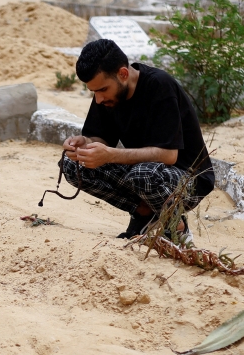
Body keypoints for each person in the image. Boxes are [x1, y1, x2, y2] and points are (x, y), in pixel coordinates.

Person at [61, 38, 215, 239]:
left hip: (188, 178)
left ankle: (176, 227)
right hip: (145, 171)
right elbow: (101, 138)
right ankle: (143, 214)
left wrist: (110, 155)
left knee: (143, 174)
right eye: (93, 92)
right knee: (74, 166)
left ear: (123, 74)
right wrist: (85, 144)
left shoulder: (160, 86)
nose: (98, 99)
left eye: (102, 90)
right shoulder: (108, 95)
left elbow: (168, 155)